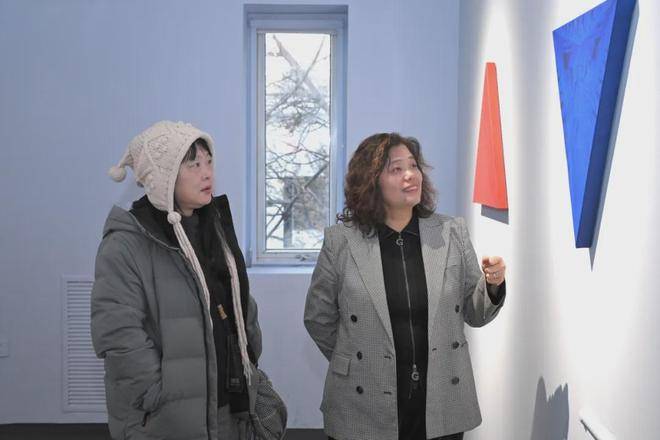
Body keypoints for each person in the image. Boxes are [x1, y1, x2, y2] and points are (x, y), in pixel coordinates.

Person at [304, 133, 507, 440]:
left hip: (440, 398)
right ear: (371, 181)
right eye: (396, 169)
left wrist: (492, 284)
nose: (410, 175)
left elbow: (474, 312)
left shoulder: (451, 232)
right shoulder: (341, 241)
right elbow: (318, 317)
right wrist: (359, 357)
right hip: (364, 399)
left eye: (413, 165)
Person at [91, 120, 262, 440]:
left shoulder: (214, 231)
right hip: (165, 420)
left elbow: (239, 307)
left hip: (225, 409)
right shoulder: (125, 245)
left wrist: (250, 358)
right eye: (194, 165)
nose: (207, 173)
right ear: (163, 175)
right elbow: (118, 334)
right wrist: (157, 396)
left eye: (209, 162)